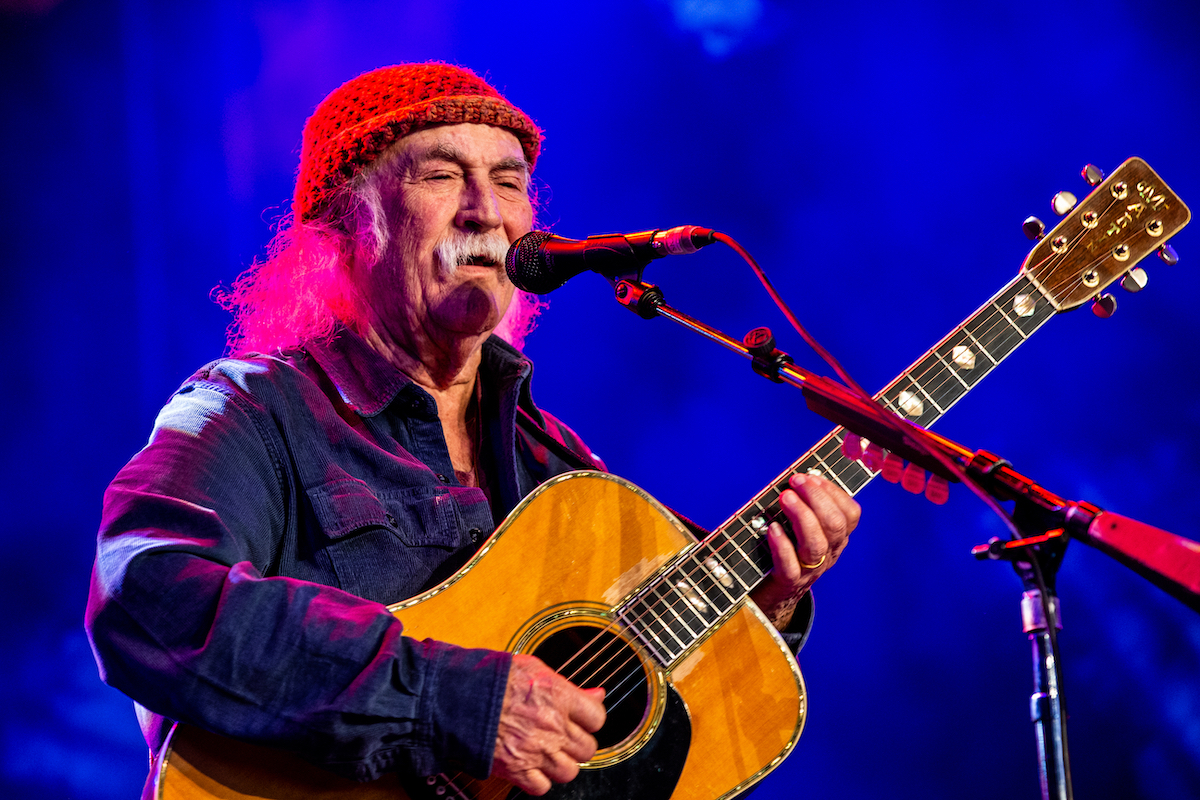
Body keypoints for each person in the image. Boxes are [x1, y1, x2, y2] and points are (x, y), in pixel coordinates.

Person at [85, 63, 859, 797]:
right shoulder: (254, 411)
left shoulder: (551, 456)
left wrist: (773, 596)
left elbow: (643, 713)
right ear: (350, 226)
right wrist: (452, 701)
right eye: (442, 174)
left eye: (508, 181)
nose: (485, 210)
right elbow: (147, 599)